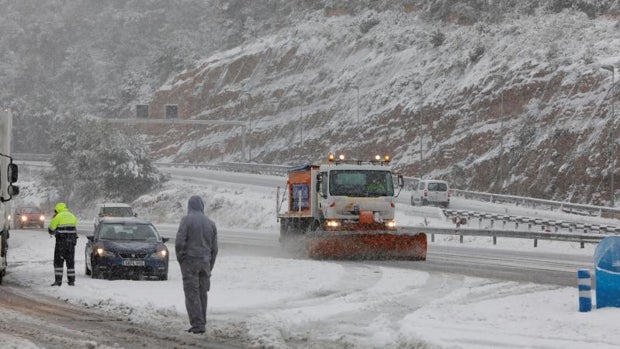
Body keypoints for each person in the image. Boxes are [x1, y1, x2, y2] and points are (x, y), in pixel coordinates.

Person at [175, 195, 218, 334]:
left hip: (190, 261)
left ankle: (198, 324)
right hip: (205, 262)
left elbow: (180, 242)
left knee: (192, 293)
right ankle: (202, 321)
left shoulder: (186, 220)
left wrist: (181, 259)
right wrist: (210, 265)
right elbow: (215, 248)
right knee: (202, 293)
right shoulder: (210, 223)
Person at [48, 202, 78, 286]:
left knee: (58, 262)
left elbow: (51, 229)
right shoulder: (72, 216)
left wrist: (53, 229)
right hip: (71, 244)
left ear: (57, 210)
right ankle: (71, 281)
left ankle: (58, 281)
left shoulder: (58, 216)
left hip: (61, 244)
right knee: (70, 262)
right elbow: (75, 226)